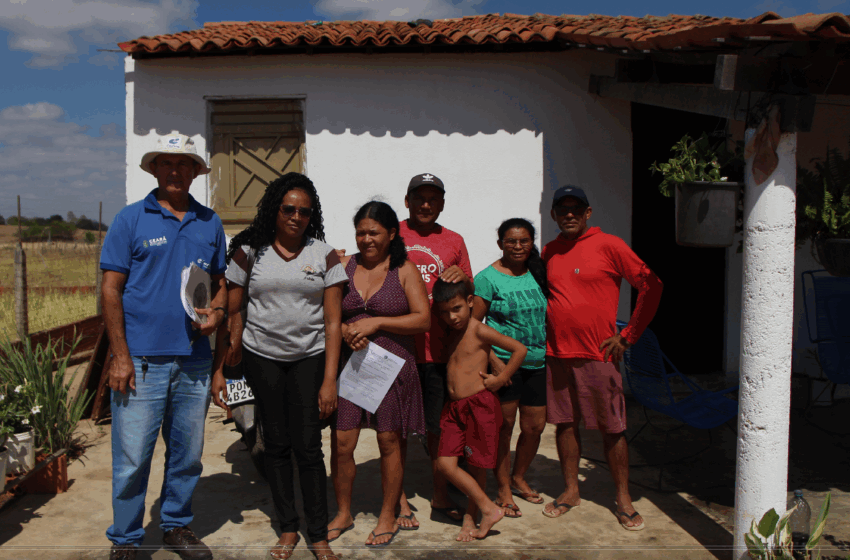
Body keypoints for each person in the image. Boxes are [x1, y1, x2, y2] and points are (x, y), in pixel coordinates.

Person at [100, 134, 227, 560]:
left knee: (187, 455)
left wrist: (218, 312)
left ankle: (175, 525)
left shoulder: (209, 222)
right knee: (132, 458)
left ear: (195, 172)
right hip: (140, 361)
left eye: (184, 164)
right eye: (167, 163)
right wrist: (120, 356)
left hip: (194, 360)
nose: (175, 171)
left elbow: (221, 283)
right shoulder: (130, 219)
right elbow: (111, 289)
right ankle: (126, 539)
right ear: (154, 169)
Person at [210, 173, 345, 560]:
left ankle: (317, 533)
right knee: (276, 446)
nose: (296, 217)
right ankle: (287, 528)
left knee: (309, 448)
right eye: (289, 209)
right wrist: (221, 369)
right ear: (274, 209)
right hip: (262, 359)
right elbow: (232, 316)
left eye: (305, 211)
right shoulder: (249, 252)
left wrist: (330, 380)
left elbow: (333, 322)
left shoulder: (325, 255)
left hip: (309, 360)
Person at [542, 186, 663, 531]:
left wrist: (628, 335)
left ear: (588, 212)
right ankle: (570, 491)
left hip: (599, 355)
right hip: (557, 354)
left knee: (612, 428)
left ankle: (623, 498)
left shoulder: (610, 245)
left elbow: (652, 285)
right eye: (562, 209)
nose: (569, 214)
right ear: (553, 214)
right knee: (565, 424)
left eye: (575, 208)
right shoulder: (549, 251)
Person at [327, 201, 431, 547]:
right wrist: (346, 329)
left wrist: (377, 323)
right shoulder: (344, 265)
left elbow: (423, 319)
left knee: (389, 441)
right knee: (343, 442)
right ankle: (343, 512)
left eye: (374, 232)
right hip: (353, 366)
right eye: (361, 232)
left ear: (391, 234)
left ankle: (388, 515)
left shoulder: (404, 269)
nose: (366, 239)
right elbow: (328, 314)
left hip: (391, 367)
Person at [397, 173, 474, 529]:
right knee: (395, 428)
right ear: (407, 201)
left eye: (433, 199)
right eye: (419, 197)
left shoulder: (454, 241)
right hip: (398, 348)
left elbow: (469, 295)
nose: (426, 204)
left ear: (442, 203)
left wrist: (462, 277)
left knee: (437, 429)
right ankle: (397, 499)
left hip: (439, 351)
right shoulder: (392, 234)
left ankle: (440, 495)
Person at [432, 280, 527, 542]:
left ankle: (471, 517)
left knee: (476, 467)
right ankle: (488, 508)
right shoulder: (451, 330)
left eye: (457, 308)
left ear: (470, 302)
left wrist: (501, 378)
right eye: (444, 312)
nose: (452, 317)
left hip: (478, 405)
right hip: (454, 408)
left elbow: (519, 349)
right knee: (445, 464)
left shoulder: (479, 329)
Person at [471, 218, 548, 519]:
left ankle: (518, 477)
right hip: (504, 363)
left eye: (524, 241)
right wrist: (494, 362)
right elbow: (474, 326)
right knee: (504, 428)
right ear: (500, 243)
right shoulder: (487, 278)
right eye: (511, 241)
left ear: (531, 243)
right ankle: (503, 487)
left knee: (534, 427)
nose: (518, 246)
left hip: (537, 363)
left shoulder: (538, 272)